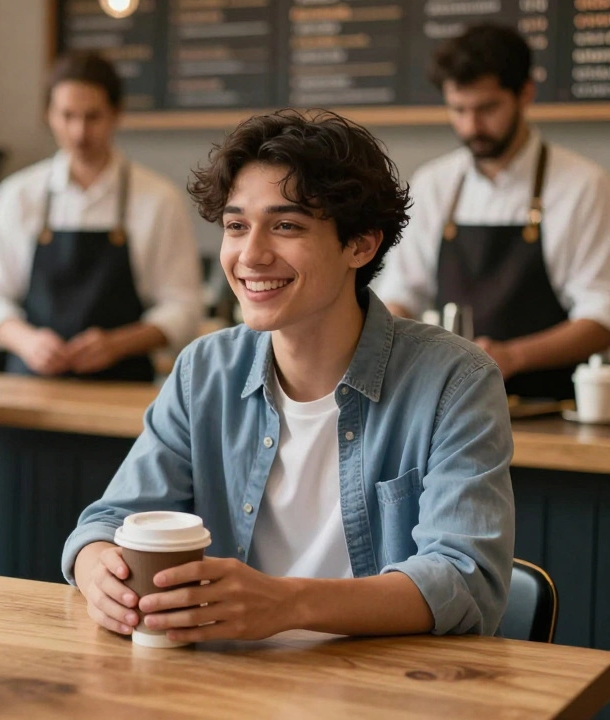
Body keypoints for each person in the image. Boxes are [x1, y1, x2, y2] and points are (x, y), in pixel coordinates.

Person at [64, 110, 515, 643]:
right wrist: (98, 569)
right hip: (225, 684)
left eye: (286, 226)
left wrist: (286, 603)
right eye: (236, 226)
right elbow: (110, 519)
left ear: (361, 244)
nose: (250, 255)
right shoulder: (204, 371)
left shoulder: (455, 381)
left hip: (386, 690)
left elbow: (465, 578)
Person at [375, 23, 610, 400]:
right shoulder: (435, 183)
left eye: (487, 108)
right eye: (459, 110)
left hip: (546, 408)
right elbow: (402, 292)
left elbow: (601, 318)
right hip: (448, 406)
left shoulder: (582, 185)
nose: (471, 126)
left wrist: (512, 357)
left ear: (525, 94)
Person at [0, 50, 203, 381]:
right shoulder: (18, 195)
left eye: (93, 117)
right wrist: (28, 341)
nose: (78, 132)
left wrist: (117, 344)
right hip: (26, 387)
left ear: (116, 114)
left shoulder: (159, 200)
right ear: (49, 115)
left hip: (122, 388)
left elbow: (184, 308)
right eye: (67, 116)